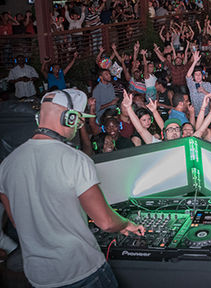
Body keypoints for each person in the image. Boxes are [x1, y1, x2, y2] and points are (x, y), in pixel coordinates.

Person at [0, 88, 144, 287]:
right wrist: (126, 223)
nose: (78, 126)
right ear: (69, 118)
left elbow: (16, 221)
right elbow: (106, 222)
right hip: (82, 271)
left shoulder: (7, 164)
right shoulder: (75, 159)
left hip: (38, 277)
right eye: (78, 120)